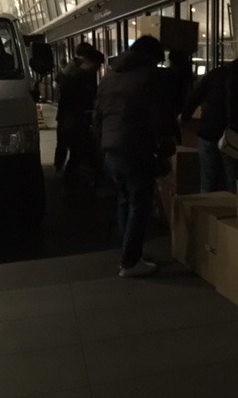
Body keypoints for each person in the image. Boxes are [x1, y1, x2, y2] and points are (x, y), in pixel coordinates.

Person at [93, 36, 176, 278]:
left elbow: (98, 116)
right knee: (139, 205)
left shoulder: (109, 78)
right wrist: (165, 147)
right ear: (150, 57)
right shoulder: (150, 77)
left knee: (125, 200)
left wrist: (102, 146)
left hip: (111, 150)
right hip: (135, 149)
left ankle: (128, 254)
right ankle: (130, 262)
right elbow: (160, 117)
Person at [180, 52, 238, 193]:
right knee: (233, 183)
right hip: (234, 138)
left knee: (208, 180)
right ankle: (231, 206)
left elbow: (195, 96)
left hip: (209, 132)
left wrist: (185, 117)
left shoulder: (215, 74)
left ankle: (206, 206)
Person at [55, 42, 105, 189]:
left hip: (68, 118)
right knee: (77, 151)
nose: (97, 69)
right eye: (96, 65)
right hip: (75, 120)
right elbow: (83, 99)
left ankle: (64, 174)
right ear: (88, 61)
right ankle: (70, 180)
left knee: (69, 148)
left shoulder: (71, 73)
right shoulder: (79, 77)